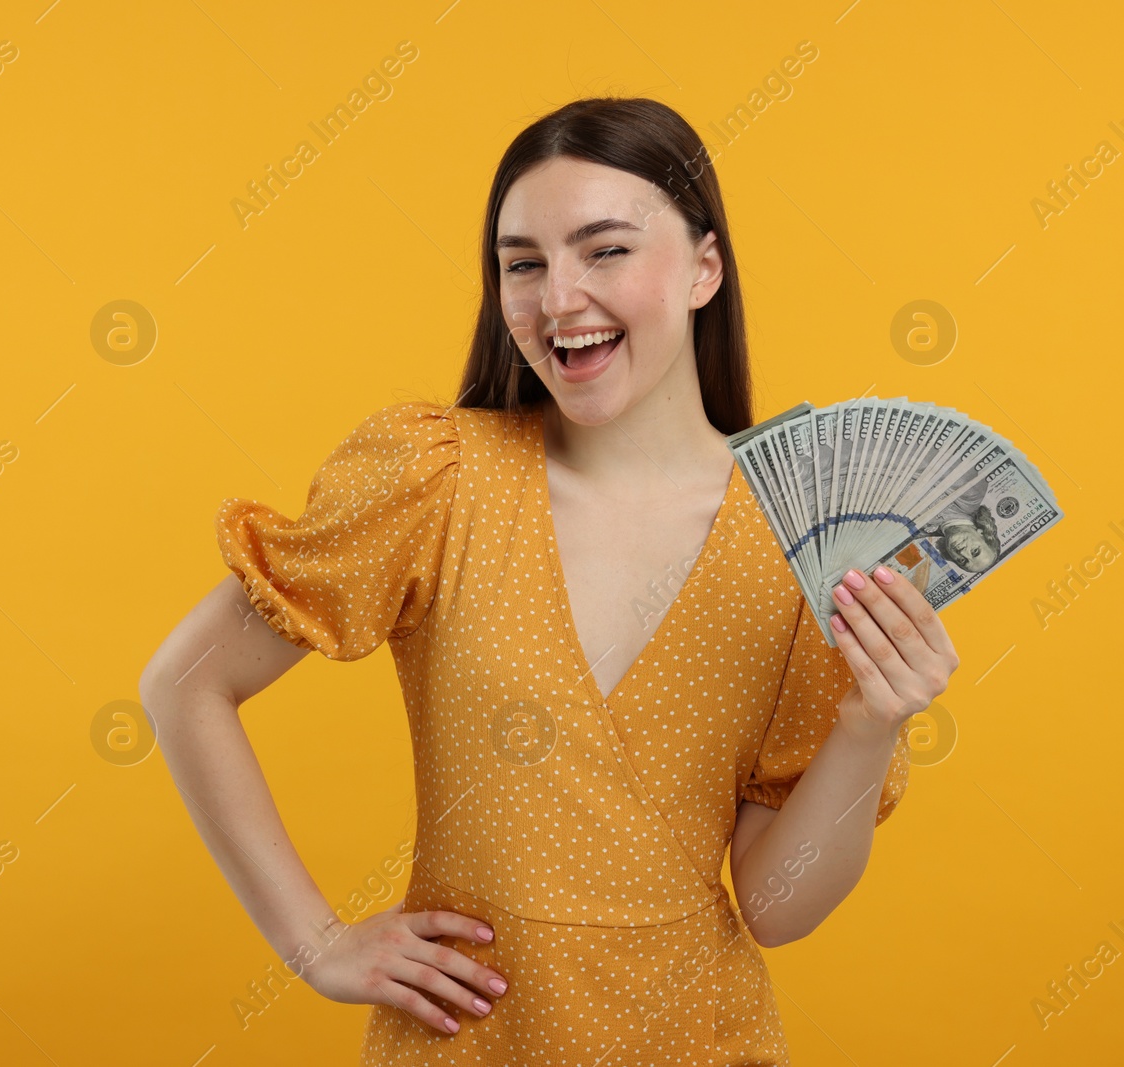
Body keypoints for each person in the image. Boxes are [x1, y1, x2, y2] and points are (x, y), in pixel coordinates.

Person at [140, 96, 961, 1066]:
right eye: (521, 263)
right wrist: (313, 941)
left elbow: (777, 907)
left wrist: (869, 725)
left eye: (604, 249)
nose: (556, 297)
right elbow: (184, 682)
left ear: (705, 267)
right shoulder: (436, 477)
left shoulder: (799, 542)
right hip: (468, 1042)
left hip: (697, 1038)